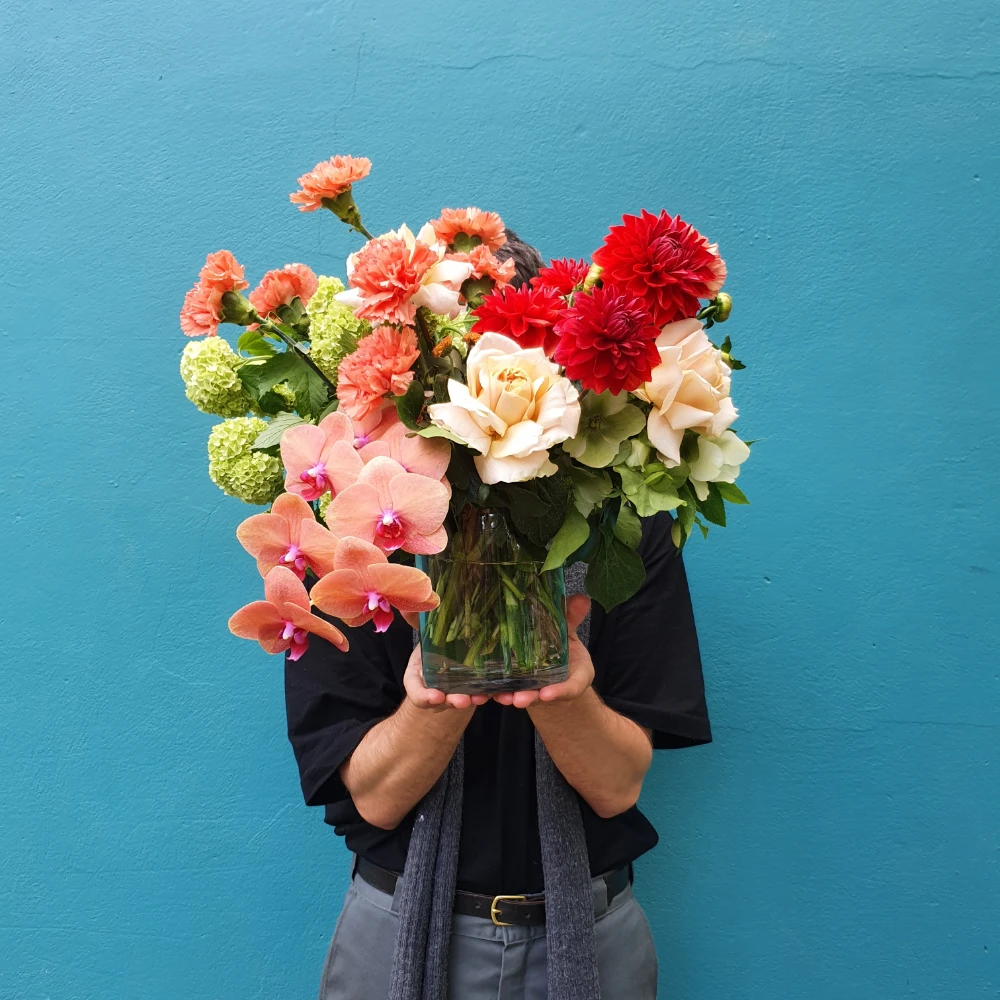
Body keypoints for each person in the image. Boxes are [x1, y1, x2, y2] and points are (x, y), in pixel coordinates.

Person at [284, 233, 712, 1000]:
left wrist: (567, 689)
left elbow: (618, 788)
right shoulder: (340, 539)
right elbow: (375, 797)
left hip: (589, 927)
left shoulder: (622, 526)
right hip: (398, 925)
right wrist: (434, 692)